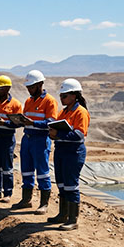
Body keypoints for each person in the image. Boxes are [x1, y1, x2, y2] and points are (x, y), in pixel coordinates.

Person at [13, 70, 58, 214]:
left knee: (43, 172)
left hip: (40, 140)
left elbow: (51, 122)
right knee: (26, 170)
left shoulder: (49, 101)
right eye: (28, 87)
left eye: (31, 87)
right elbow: (26, 118)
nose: (29, 90)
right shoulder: (28, 101)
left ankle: (43, 204)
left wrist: (33, 123)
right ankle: (26, 200)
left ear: (39, 85)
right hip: (27, 139)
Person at [48, 78, 90, 230]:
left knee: (71, 185)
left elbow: (79, 134)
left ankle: (73, 219)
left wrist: (58, 134)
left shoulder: (81, 112)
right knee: (61, 184)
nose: (61, 98)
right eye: (61, 96)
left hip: (73, 152)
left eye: (64, 96)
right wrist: (52, 133)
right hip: (61, 151)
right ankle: (63, 214)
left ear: (74, 96)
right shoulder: (63, 112)